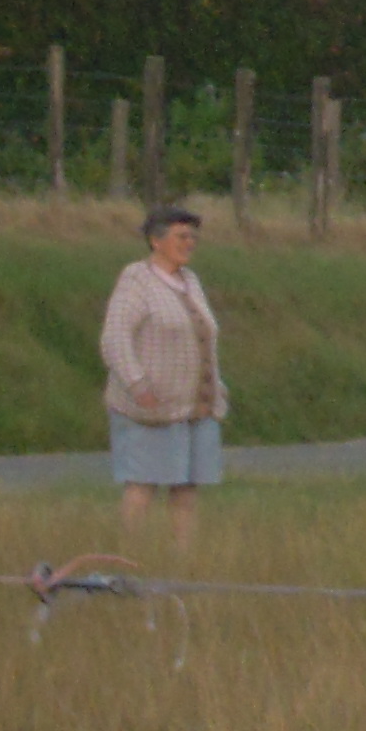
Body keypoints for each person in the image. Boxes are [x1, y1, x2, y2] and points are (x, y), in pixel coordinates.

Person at [102, 201, 226, 546]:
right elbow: (115, 337)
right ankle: (127, 557)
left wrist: (217, 390)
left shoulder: (190, 281)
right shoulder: (137, 280)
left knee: (186, 489)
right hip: (151, 408)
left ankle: (181, 561)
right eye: (181, 236)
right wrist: (137, 384)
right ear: (156, 241)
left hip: (195, 407)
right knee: (142, 486)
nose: (189, 243)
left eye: (192, 237)